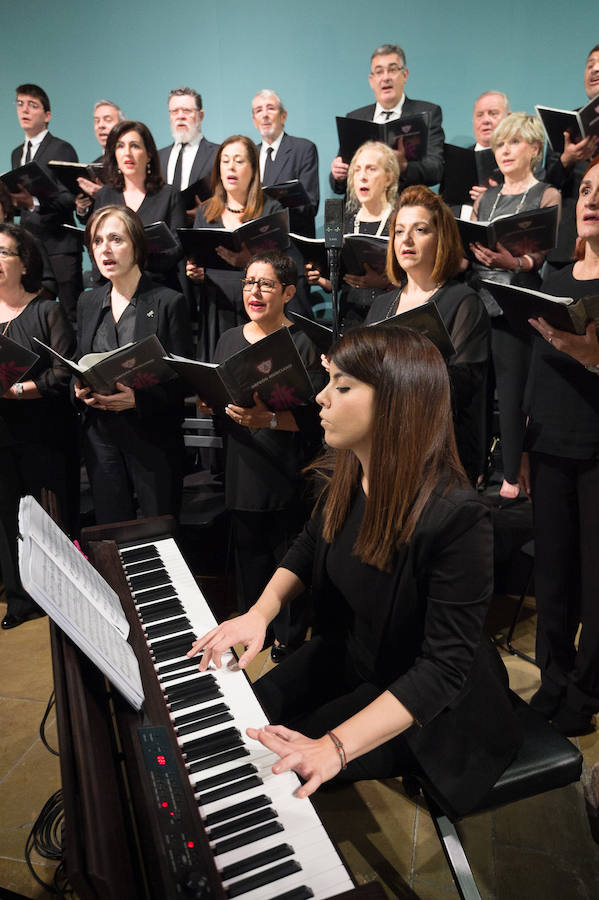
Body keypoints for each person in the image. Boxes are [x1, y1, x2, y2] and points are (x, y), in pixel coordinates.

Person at [189, 325, 520, 816]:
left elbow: (442, 669)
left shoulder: (457, 517)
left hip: (425, 705)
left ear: (396, 402)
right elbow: (308, 544)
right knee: (237, 722)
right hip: (352, 656)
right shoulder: (349, 468)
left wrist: (334, 747)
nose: (321, 398)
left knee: (266, 765)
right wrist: (259, 613)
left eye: (341, 386)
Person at [210, 251, 324, 661]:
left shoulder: (307, 340)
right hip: (243, 461)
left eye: (266, 284)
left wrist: (270, 419)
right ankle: (252, 626)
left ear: (289, 291)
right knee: (248, 551)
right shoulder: (227, 338)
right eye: (248, 282)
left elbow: (317, 419)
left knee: (287, 550)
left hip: (288, 463)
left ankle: (288, 634)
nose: (254, 292)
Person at [519, 156, 599, 736]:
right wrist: (521, 445)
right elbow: (534, 374)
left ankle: (587, 688)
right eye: (588, 189)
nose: (591, 198)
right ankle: (552, 676)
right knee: (551, 574)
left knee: (596, 578)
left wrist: (591, 357)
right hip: (548, 443)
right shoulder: (554, 281)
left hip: (597, 448)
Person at [74, 206, 192, 525]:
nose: (105, 249)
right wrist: (79, 388)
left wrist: (137, 399)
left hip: (151, 435)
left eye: (115, 239)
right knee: (113, 533)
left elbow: (184, 380)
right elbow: (81, 359)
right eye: (97, 241)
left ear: (137, 246)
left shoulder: (168, 302)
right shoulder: (87, 302)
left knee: (159, 535)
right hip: (100, 436)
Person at [365, 185, 489, 484]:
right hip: (384, 446)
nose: (405, 240)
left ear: (441, 239)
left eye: (419, 230)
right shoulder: (382, 304)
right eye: (399, 231)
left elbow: (463, 383)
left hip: (440, 453)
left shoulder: (463, 301)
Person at [469, 112, 561, 499]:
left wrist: (515, 262)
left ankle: (510, 476)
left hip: (516, 303)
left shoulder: (546, 194)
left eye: (515, 143)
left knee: (510, 393)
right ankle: (473, 469)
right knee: (474, 391)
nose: (504, 151)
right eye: (501, 144)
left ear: (534, 149)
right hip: (477, 303)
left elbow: (545, 256)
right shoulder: (486, 197)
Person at [0, 223, 77, 628]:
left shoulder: (47, 309)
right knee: (5, 517)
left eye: (2, 253)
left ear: (24, 263)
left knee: (50, 517)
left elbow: (65, 373)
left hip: (43, 430)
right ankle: (18, 598)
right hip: (1, 432)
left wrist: (21, 388)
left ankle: (60, 597)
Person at [187, 135, 311, 361]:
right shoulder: (206, 212)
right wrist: (195, 274)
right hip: (218, 307)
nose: (230, 167)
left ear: (253, 168)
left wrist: (247, 262)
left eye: (238, 161)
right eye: (225, 161)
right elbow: (199, 262)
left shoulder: (271, 209)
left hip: (259, 307)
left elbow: (284, 265)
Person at [77, 120, 186, 289]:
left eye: (134, 146)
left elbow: (177, 249)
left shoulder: (168, 195)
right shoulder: (106, 194)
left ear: (149, 154)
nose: (127, 153)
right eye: (120, 146)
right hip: (113, 288)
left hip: (157, 288)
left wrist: (133, 258)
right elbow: (94, 243)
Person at [329, 44, 444, 196]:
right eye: (379, 72)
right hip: (363, 210)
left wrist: (403, 166)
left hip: (406, 208)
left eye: (392, 69)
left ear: (405, 74)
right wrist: (338, 175)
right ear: (371, 80)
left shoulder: (427, 113)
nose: (386, 77)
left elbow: (436, 169)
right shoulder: (355, 118)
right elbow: (340, 186)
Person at [306, 141, 397, 329]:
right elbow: (337, 282)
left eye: (371, 169)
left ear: (388, 178)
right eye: (357, 170)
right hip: (350, 319)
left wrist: (385, 282)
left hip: (388, 319)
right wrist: (320, 278)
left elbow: (416, 276)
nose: (362, 177)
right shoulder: (345, 220)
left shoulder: (400, 221)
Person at [10, 84, 82, 322]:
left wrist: (34, 202)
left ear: (47, 115)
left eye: (33, 105)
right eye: (20, 104)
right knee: (32, 315)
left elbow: (70, 198)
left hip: (59, 245)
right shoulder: (17, 153)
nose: (25, 110)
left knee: (71, 314)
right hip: (30, 245)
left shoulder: (61, 148)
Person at [545, 44, 599, 267]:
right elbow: (546, 183)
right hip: (568, 241)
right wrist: (567, 159)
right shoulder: (566, 122)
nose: (595, 70)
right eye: (590, 66)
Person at [252, 89, 320, 237]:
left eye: (270, 108)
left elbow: (310, 206)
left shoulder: (303, 149)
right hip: (257, 242)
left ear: (283, 116)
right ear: (254, 120)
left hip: (292, 241)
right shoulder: (250, 156)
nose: (265, 115)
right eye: (259, 110)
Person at [158, 87, 219, 222]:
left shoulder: (218, 154)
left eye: (187, 111)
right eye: (175, 111)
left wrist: (204, 213)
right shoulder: (158, 158)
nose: (180, 116)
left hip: (203, 232)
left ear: (200, 115)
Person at [75, 100, 125, 199]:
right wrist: (82, 208)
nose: (100, 125)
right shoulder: (93, 167)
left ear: (121, 126)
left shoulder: (130, 162)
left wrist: (104, 195)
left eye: (108, 120)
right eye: (96, 121)